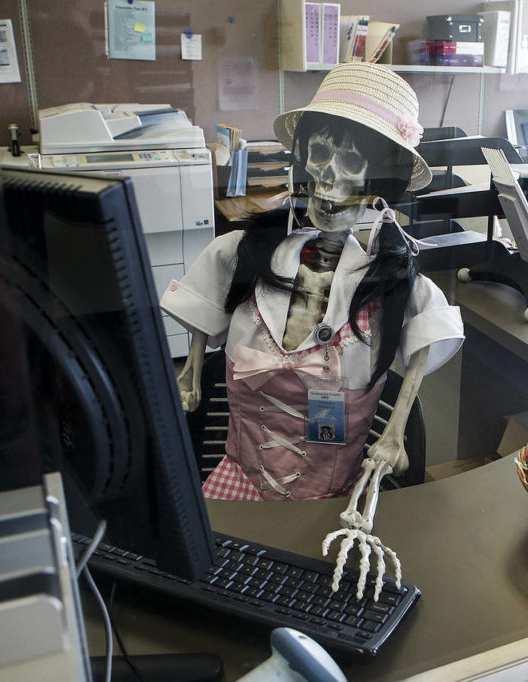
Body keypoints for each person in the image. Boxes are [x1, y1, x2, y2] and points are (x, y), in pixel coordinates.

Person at [160, 62, 464, 502]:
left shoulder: (394, 288)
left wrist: (394, 434)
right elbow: (202, 312)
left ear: (382, 178)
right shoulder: (243, 255)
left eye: (352, 162)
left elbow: (424, 346)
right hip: (238, 481)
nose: (327, 179)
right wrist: (190, 374)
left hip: (333, 499)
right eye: (319, 156)